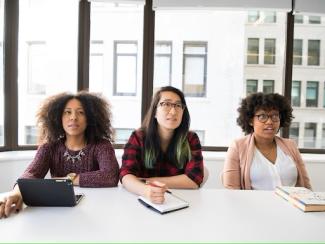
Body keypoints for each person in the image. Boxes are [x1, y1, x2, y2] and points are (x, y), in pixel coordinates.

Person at [0, 91, 119, 218]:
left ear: (90, 118)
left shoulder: (102, 145)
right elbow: (31, 173)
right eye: (67, 112)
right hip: (58, 212)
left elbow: (110, 175)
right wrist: (17, 193)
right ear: (58, 118)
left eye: (81, 112)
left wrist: (68, 179)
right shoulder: (49, 147)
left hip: (96, 211)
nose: (73, 117)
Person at [120, 86, 204, 204]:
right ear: (155, 111)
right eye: (166, 104)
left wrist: (149, 181)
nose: (173, 111)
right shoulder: (138, 137)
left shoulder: (190, 138)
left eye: (178, 105)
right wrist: (146, 190)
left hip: (180, 201)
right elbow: (126, 176)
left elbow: (194, 179)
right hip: (141, 200)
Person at [222, 92, 311, 190]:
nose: (270, 122)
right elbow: (232, 191)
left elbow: (306, 186)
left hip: (291, 205)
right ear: (251, 120)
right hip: (253, 205)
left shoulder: (290, 145)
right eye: (262, 116)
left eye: (274, 116)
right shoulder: (237, 147)